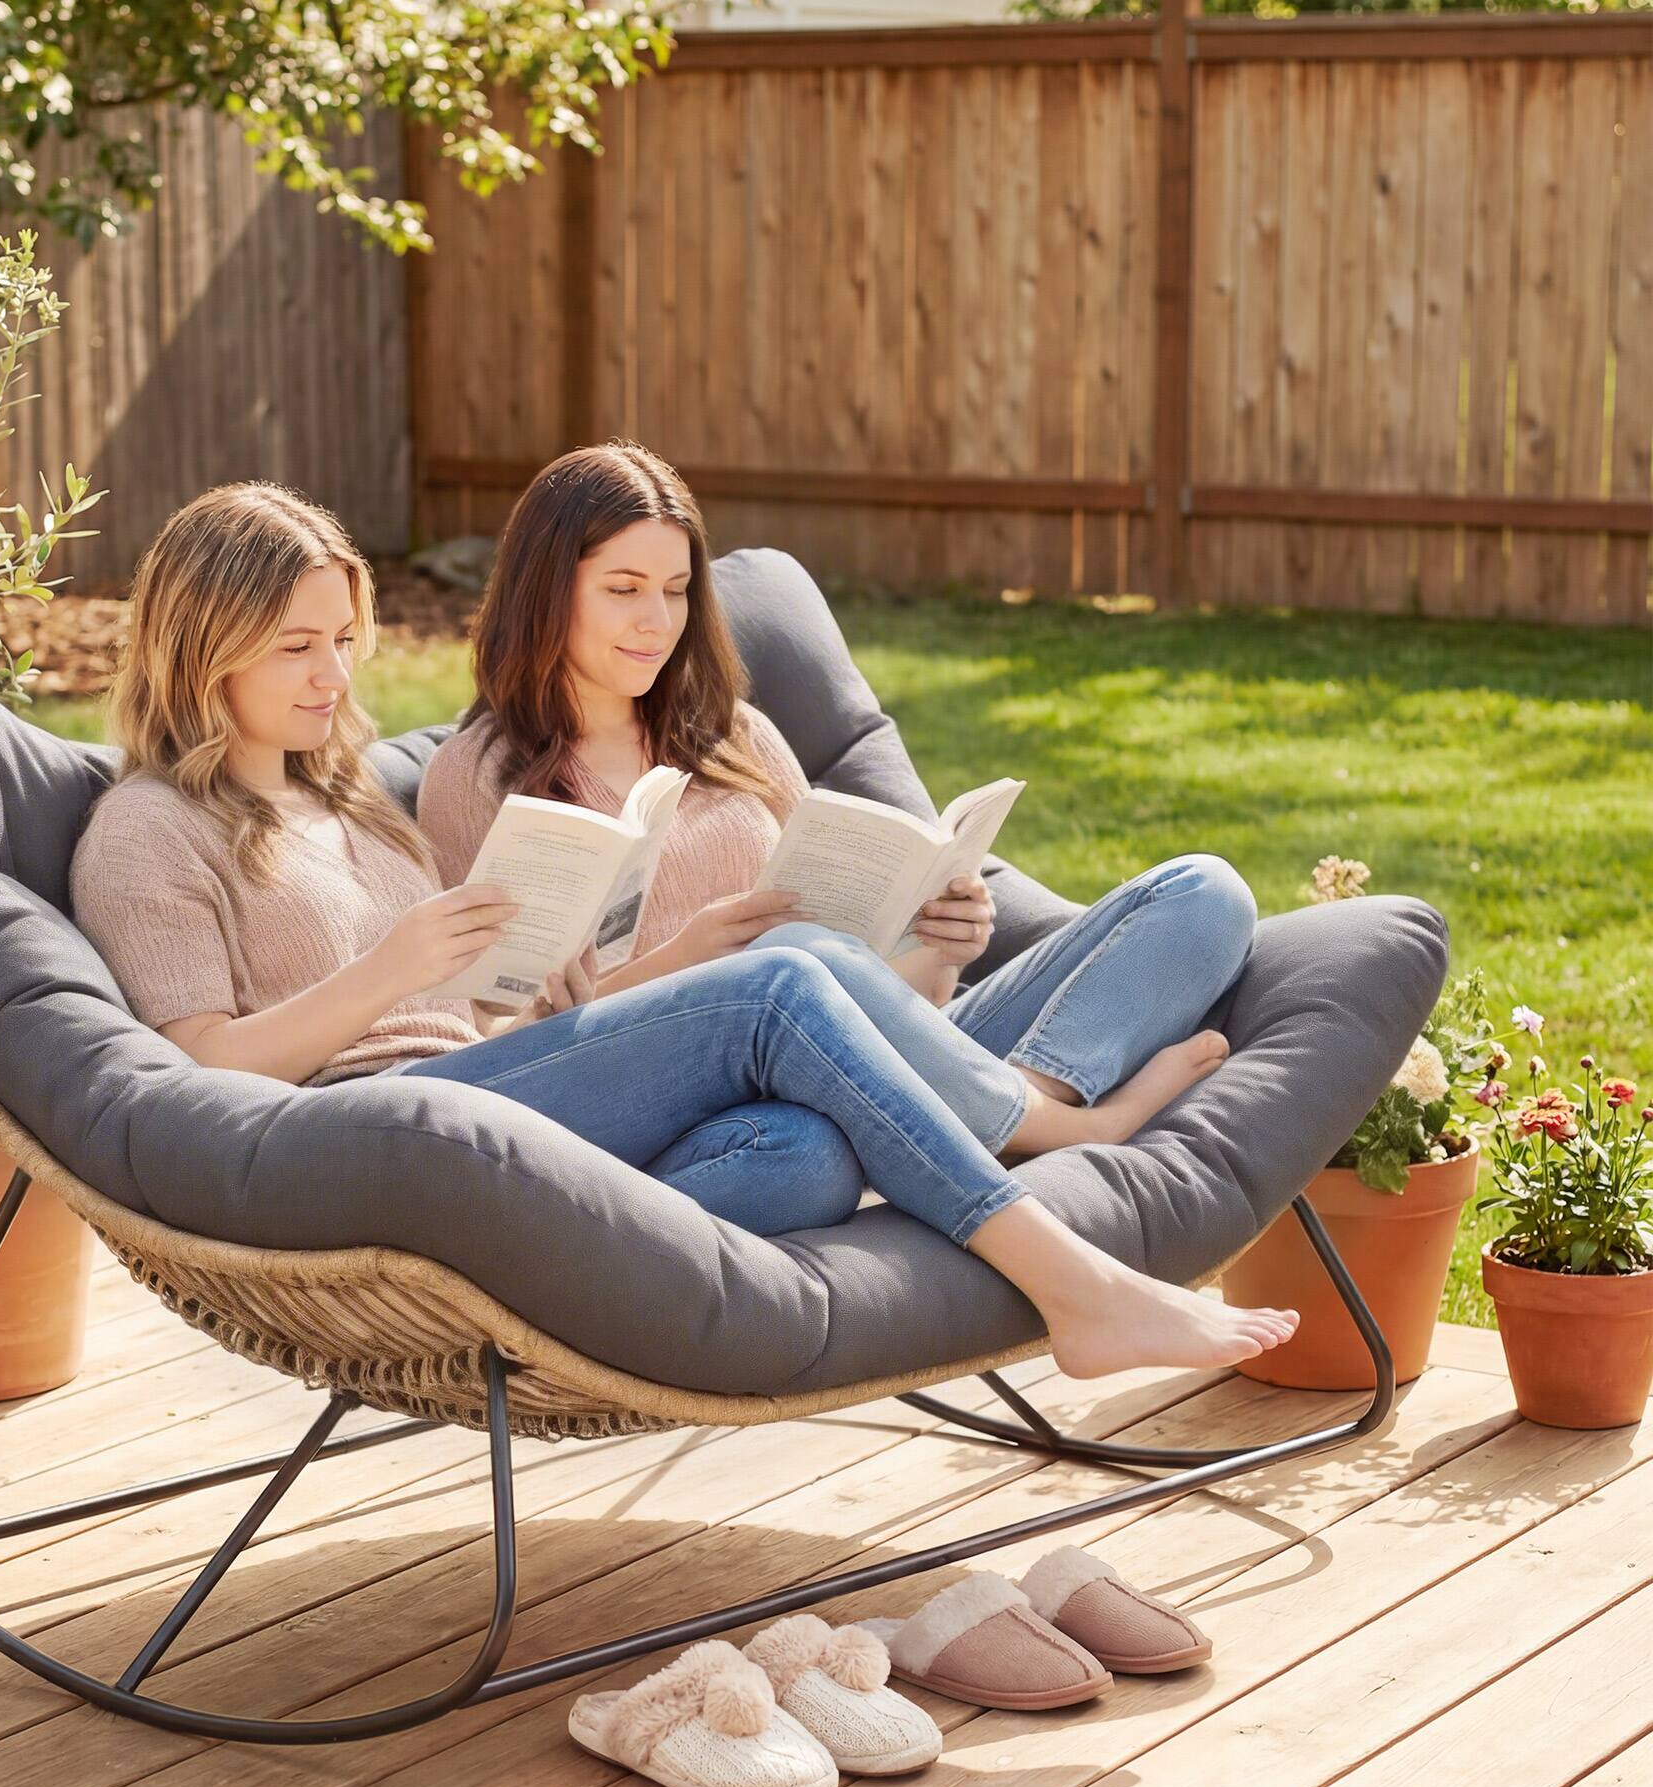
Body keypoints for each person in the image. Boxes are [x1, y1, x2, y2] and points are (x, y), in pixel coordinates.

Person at [69, 480, 1298, 1379]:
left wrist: (530, 982)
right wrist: (390, 971)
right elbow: (195, 1074)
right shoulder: (147, 827)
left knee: (801, 1156)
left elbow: (483, 1018)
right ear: (202, 641)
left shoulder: (347, 803)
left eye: (344, 640)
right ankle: (1074, 1270)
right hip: (376, 1132)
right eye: (296, 646)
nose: (335, 677)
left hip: (487, 1097)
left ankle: (618, 1242)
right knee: (779, 976)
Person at [418, 440, 1257, 1230]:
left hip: (885, 1058)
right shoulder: (475, 776)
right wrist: (689, 960)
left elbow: (883, 987)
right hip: (708, 1103)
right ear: (547, 590)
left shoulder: (734, 735)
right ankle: (1046, 1127)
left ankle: (1003, 1112)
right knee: (800, 1134)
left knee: (1203, 893)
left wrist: (939, 944)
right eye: (623, 588)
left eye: (675, 591)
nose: (657, 621)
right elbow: (495, 1051)